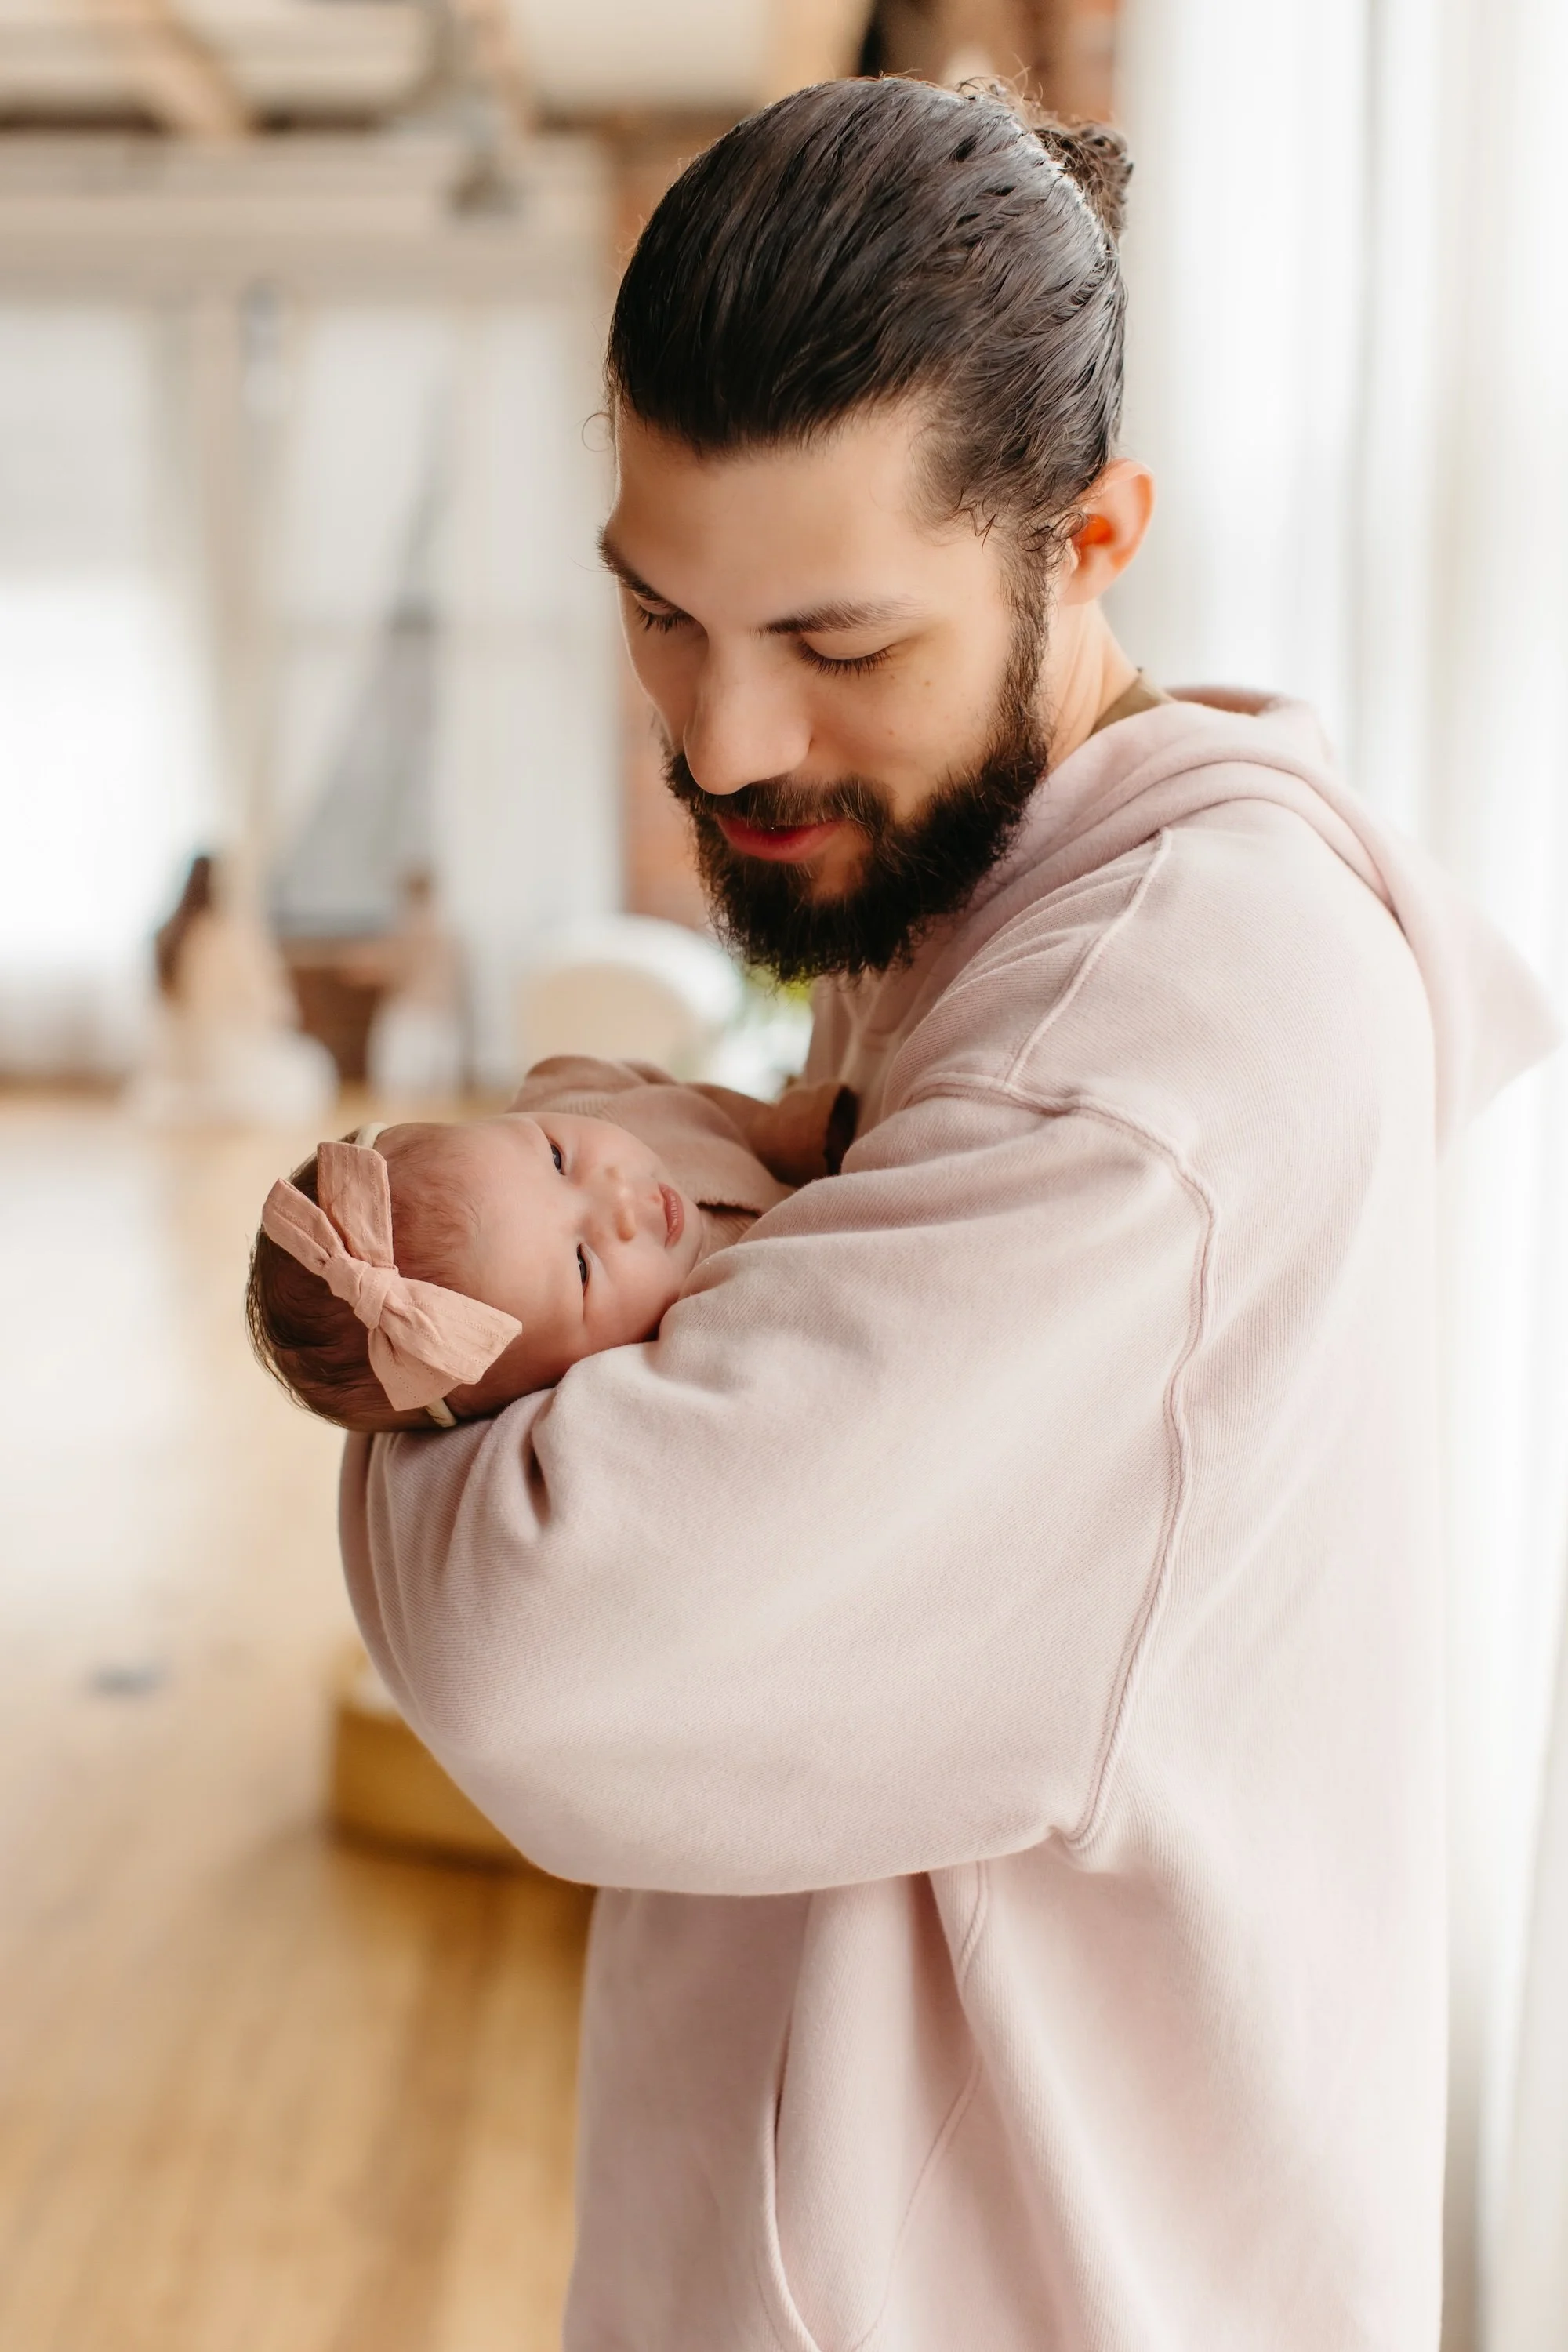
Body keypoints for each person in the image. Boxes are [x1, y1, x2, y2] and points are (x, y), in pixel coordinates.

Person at [339, 79, 1557, 2350]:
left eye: (838, 643)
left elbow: (540, 1645)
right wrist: (664, 1167)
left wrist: (487, 1265)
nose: (718, 745)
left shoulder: (1149, 1047)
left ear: (1094, 541)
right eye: (662, 618)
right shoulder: (970, 894)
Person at [246, 1058, 854, 1431]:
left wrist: (797, 1128)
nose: (617, 1199)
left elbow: (696, 1103)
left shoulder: (580, 1091)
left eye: (557, 1157)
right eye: (583, 1267)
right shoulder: (701, 1338)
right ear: (554, 1385)